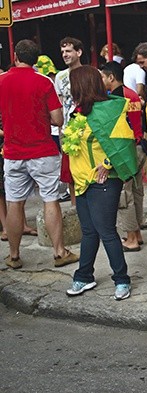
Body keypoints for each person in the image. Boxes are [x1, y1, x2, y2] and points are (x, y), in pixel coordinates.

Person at [0, 39, 79, 270]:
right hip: (43, 150)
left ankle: (14, 256)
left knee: (15, 203)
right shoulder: (44, 82)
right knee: (51, 200)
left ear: (15, 56)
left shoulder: (2, 81)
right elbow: (57, 119)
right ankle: (59, 252)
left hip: (13, 153)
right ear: (36, 60)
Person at [64, 65, 137, 300]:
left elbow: (126, 143)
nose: (69, 89)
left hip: (104, 181)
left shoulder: (109, 110)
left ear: (81, 86)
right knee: (88, 232)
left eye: (72, 84)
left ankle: (122, 279)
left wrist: (107, 163)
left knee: (106, 231)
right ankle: (84, 276)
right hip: (82, 181)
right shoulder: (77, 113)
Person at [100, 61, 146, 252]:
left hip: (126, 151)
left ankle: (131, 237)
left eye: (103, 76)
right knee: (137, 191)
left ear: (111, 77)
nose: (101, 80)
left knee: (124, 195)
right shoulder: (132, 94)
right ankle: (138, 232)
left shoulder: (115, 99)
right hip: (139, 146)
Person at [55, 37, 84, 205]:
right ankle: (75, 207)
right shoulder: (60, 77)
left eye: (68, 51)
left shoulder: (90, 72)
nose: (65, 55)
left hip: (86, 128)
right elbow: (59, 104)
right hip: (67, 130)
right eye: (63, 52)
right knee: (70, 173)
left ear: (78, 52)